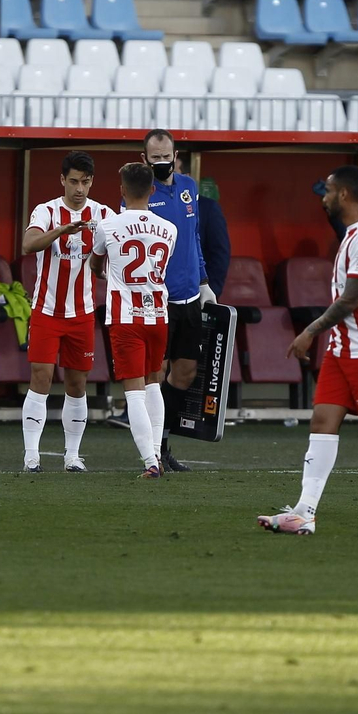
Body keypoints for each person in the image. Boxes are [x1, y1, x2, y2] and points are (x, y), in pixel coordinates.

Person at [259, 165, 358, 537]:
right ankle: (305, 511)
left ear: (344, 194)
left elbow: (351, 299)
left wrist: (310, 331)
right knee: (322, 422)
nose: (324, 196)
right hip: (344, 347)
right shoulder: (356, 233)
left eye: (328, 190)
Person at [19, 150, 110, 473]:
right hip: (46, 310)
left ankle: (72, 455)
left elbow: (116, 252)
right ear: (62, 180)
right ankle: (32, 454)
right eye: (73, 181)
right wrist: (62, 231)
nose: (79, 189)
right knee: (41, 378)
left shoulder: (102, 214)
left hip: (83, 313)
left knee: (77, 383)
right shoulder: (47, 211)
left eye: (85, 182)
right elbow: (28, 245)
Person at [131, 130, 215, 472]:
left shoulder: (188, 187)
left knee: (185, 371)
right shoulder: (137, 193)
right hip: (156, 297)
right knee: (156, 371)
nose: (163, 164)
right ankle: (152, 450)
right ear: (145, 160)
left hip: (190, 294)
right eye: (156, 159)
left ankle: (162, 440)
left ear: (175, 154)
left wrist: (205, 280)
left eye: (168, 158)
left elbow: (194, 237)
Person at [91, 162, 178, 478]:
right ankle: (155, 453)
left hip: (126, 317)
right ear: (153, 190)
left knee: (134, 391)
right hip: (158, 314)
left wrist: (104, 271)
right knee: (154, 382)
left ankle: (151, 463)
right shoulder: (170, 229)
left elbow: (95, 263)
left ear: (121, 191)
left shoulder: (108, 225)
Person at [177, 150, 229, 296]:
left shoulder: (208, 208)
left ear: (185, 177)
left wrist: (210, 291)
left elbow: (219, 254)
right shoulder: (156, 206)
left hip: (196, 294)